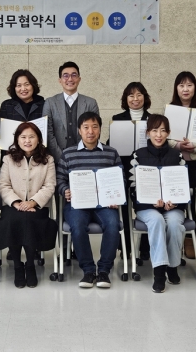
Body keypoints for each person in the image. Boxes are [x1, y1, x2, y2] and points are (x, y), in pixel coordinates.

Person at [56, 112, 123, 289]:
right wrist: (65, 190)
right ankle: (88, 271)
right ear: (79, 130)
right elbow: (60, 179)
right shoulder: (68, 153)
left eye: (94, 127)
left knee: (113, 224)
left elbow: (120, 179)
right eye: (86, 127)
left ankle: (104, 271)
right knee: (77, 226)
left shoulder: (111, 153)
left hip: (104, 204)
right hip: (78, 204)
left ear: (100, 130)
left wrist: (116, 196)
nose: (90, 131)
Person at [0, 123, 57, 289]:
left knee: (29, 219)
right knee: (14, 220)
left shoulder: (48, 159)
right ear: (17, 140)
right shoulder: (8, 158)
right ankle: (18, 266)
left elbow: (50, 186)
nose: (27, 141)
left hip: (38, 207)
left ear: (38, 139)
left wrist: (33, 202)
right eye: (23, 137)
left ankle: (30, 265)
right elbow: (3, 185)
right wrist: (16, 203)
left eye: (32, 137)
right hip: (13, 206)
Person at [129, 114, 184, 293]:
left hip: (172, 206)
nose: (158, 135)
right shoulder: (138, 155)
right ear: (148, 132)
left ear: (168, 133)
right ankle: (159, 273)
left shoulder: (177, 155)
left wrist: (175, 202)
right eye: (154, 130)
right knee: (157, 221)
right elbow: (132, 186)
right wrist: (151, 202)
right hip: (147, 208)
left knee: (174, 223)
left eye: (163, 130)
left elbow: (184, 185)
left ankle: (172, 267)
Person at [167, 71, 196, 259]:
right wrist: (178, 146)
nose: (186, 89)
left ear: (195, 88)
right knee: (179, 200)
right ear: (176, 88)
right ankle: (179, 238)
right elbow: (164, 135)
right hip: (177, 164)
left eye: (189, 85)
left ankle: (191, 240)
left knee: (195, 202)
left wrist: (194, 146)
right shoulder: (170, 109)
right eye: (182, 85)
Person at [110, 82, 152, 260]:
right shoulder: (118, 119)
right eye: (131, 95)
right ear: (125, 99)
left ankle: (145, 248)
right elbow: (111, 145)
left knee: (147, 206)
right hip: (124, 168)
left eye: (139, 95)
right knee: (125, 208)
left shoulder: (153, 119)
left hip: (147, 169)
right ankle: (125, 247)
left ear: (145, 97)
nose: (135, 99)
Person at [42, 61, 99, 164]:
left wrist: (84, 156)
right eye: (65, 76)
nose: (70, 79)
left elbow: (95, 130)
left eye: (74, 75)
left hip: (85, 158)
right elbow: (48, 133)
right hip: (57, 160)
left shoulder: (91, 103)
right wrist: (61, 157)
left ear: (79, 79)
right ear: (60, 80)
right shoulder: (50, 103)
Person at [0, 69, 46, 162]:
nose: (23, 89)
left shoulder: (44, 104)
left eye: (27, 84)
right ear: (14, 88)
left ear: (33, 85)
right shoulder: (7, 105)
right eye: (19, 85)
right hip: (12, 156)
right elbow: (1, 132)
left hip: (37, 155)